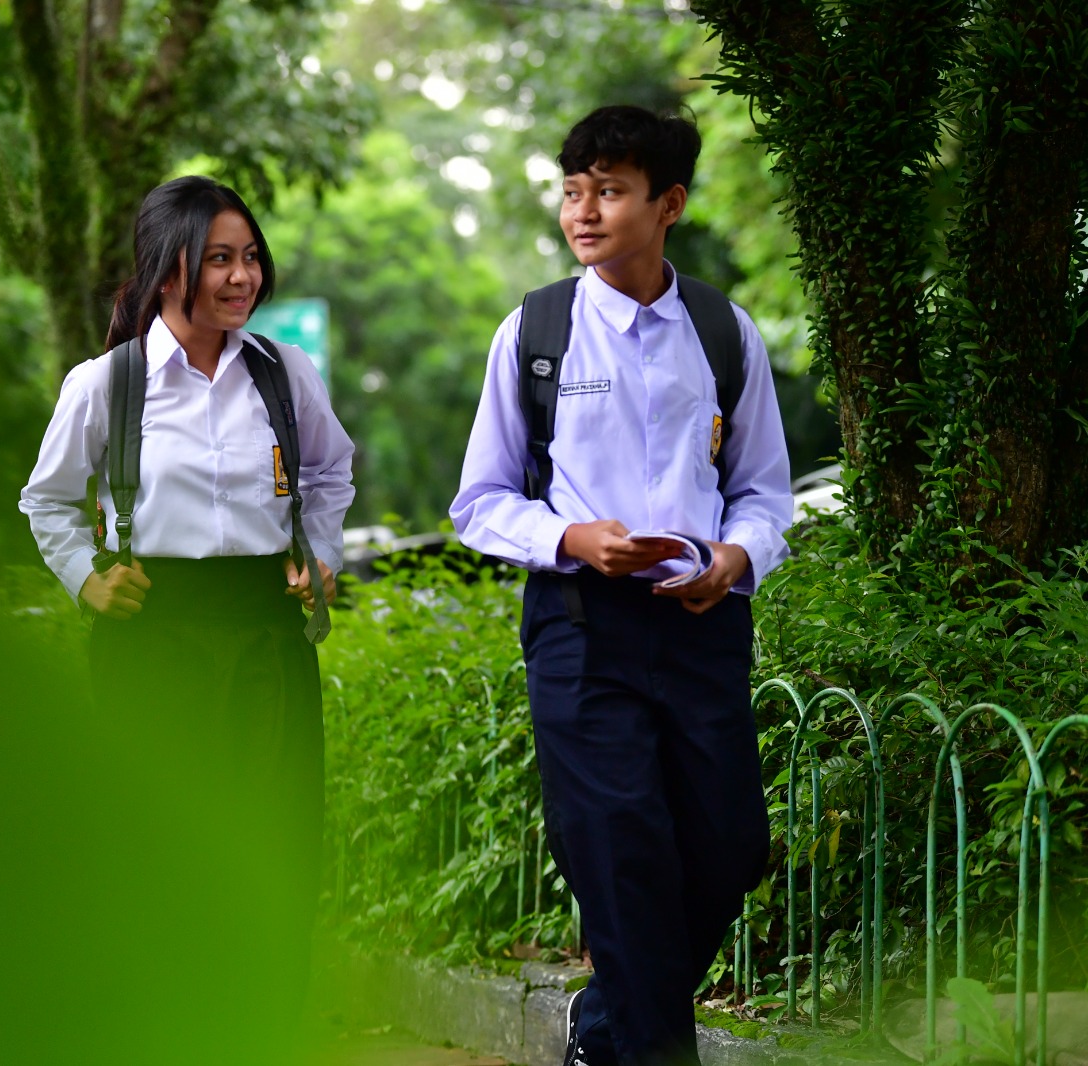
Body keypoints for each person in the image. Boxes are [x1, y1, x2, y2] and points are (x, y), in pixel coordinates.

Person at [450, 106, 793, 1066]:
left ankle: (603, 1026)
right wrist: (570, 537)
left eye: (608, 189)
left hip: (702, 620)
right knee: (621, 848)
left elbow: (764, 491)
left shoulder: (724, 332)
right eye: (572, 190)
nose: (583, 211)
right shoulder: (536, 331)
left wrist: (736, 557)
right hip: (578, 623)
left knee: (730, 848)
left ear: (667, 203)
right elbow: (478, 502)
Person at [19, 175, 355, 1046]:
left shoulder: (285, 374)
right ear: (170, 270)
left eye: (249, 259)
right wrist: (87, 578)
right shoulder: (107, 384)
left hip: (266, 644)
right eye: (220, 260)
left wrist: (316, 552)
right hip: (150, 642)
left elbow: (329, 472)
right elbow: (47, 502)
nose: (242, 278)